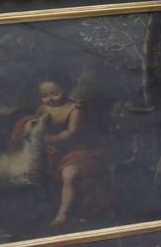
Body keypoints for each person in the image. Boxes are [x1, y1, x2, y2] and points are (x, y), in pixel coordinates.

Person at [14, 76, 112, 227]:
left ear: (66, 88)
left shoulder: (74, 109)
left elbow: (71, 133)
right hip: (54, 150)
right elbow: (36, 125)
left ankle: (63, 213)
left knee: (69, 175)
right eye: (45, 96)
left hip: (80, 149)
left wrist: (48, 139)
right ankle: (43, 206)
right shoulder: (42, 108)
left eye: (55, 93)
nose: (50, 99)